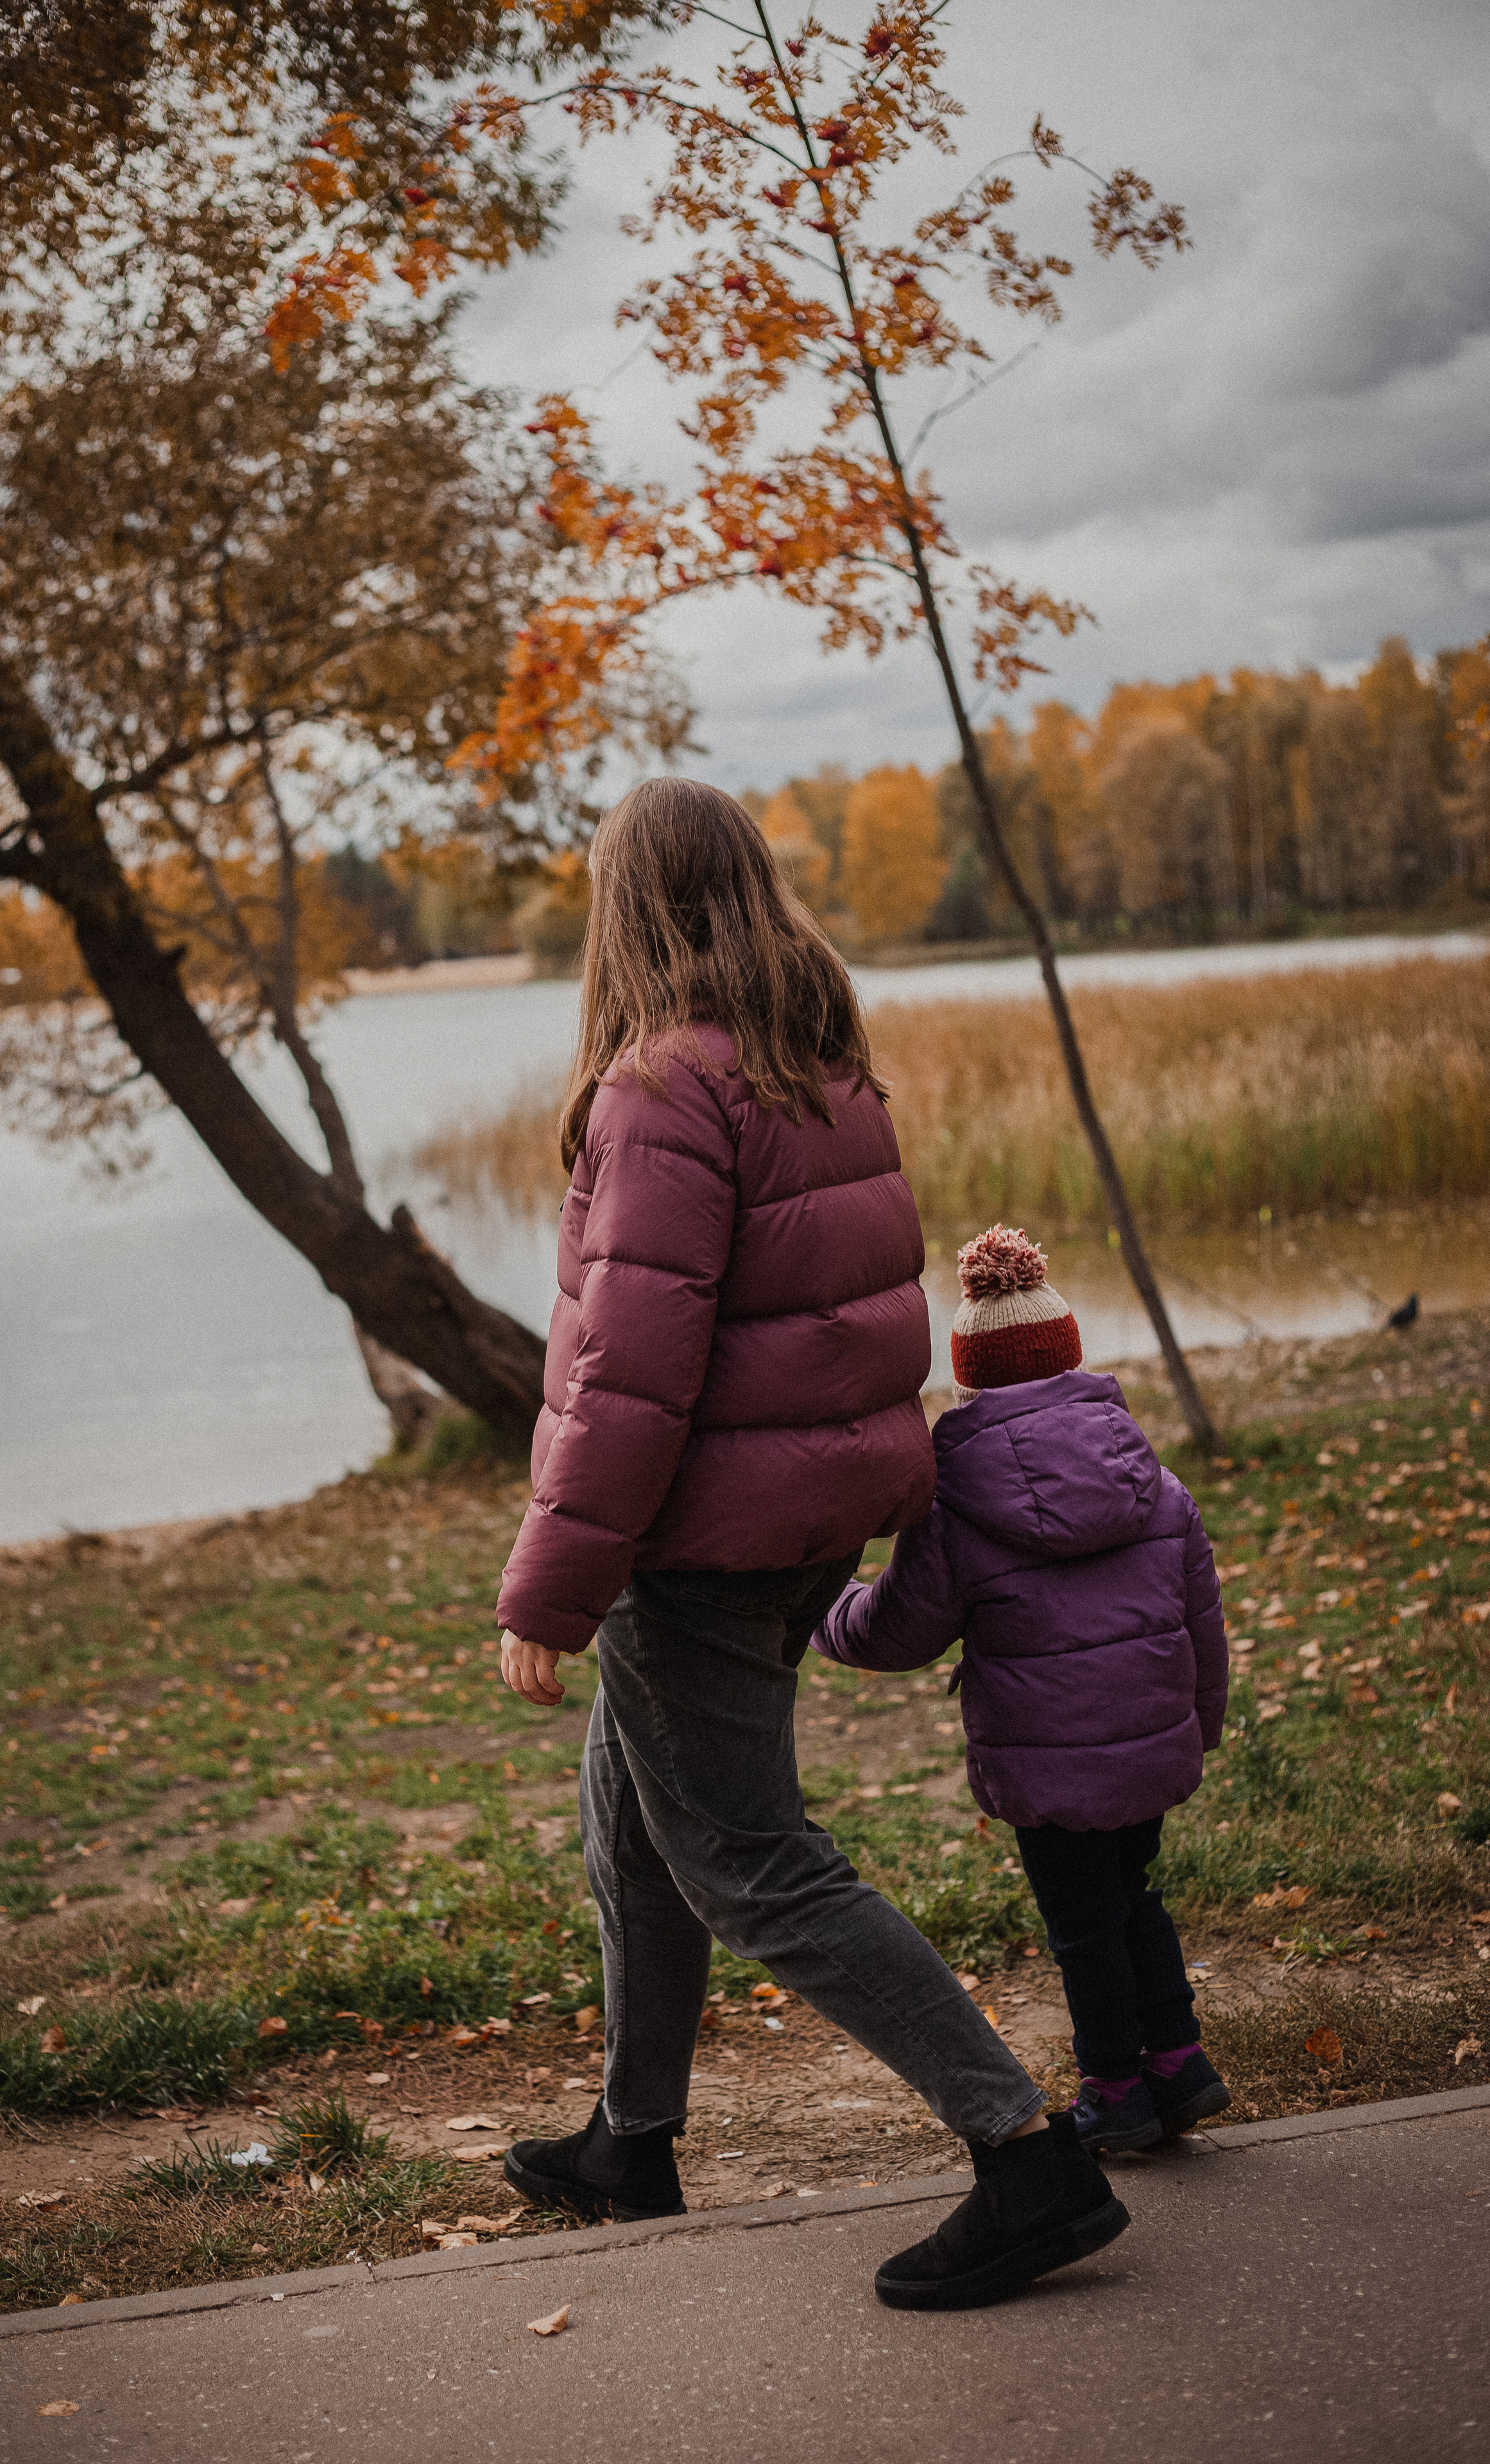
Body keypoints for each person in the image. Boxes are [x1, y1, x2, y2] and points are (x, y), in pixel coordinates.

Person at [494, 780, 1129, 2311]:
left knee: (749, 1862)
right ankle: (630, 2141)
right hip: (792, 1520)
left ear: (625, 907)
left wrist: (554, 1586)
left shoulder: (658, 1085)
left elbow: (632, 1373)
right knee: (634, 1828)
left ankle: (1024, 2153)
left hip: (695, 1540)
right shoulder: (814, 1063)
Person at [813, 1222, 1231, 2155]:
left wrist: (820, 1610)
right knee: (1136, 1897)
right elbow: (1204, 1622)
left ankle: (1115, 2094)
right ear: (1073, 1359)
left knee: (1083, 1926)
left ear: (969, 1379)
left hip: (1047, 1771)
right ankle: (1181, 2063)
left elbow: (899, 1630)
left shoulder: (958, 1503)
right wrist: (1198, 1729)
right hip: (1150, 1744)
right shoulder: (1156, 1485)